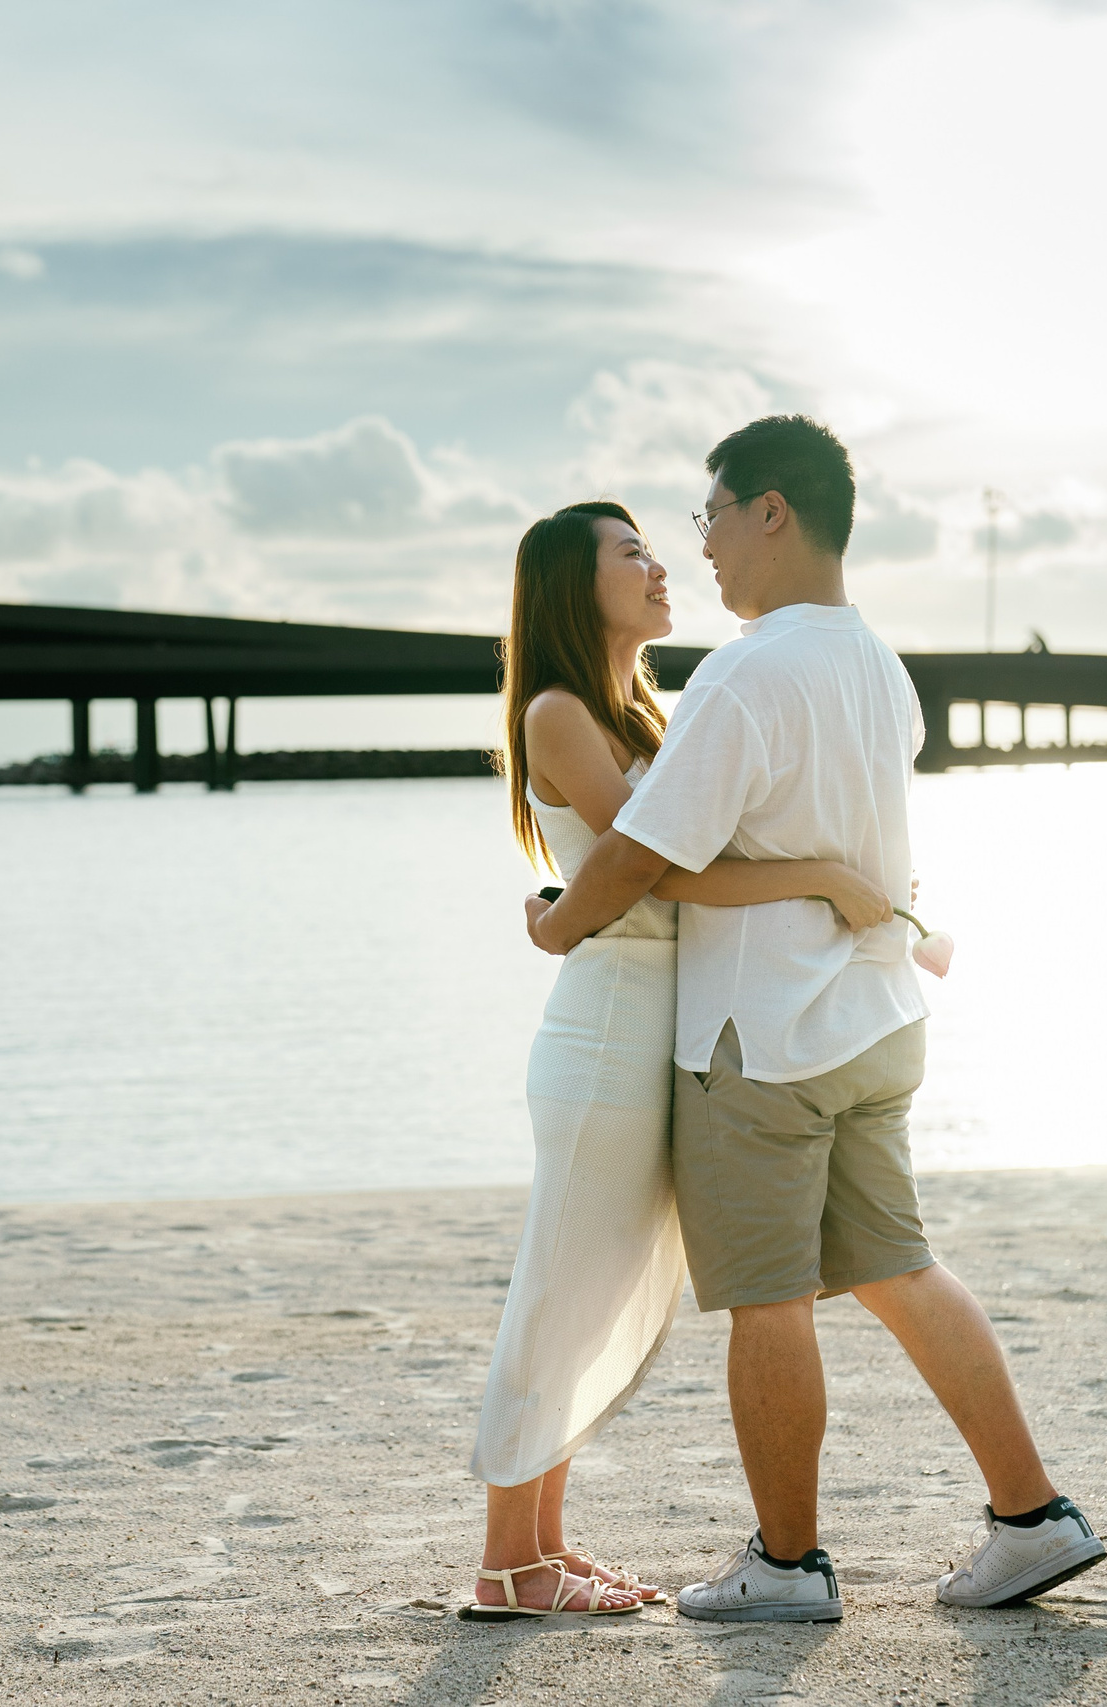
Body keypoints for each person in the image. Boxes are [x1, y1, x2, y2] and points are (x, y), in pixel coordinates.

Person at [526, 418, 1107, 1622]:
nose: (706, 548)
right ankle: (1030, 1515)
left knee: (768, 1299)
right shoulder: (878, 667)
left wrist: (556, 921)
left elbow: (649, 858)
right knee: (901, 1265)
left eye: (711, 519)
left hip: (761, 1037)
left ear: (771, 513)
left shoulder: (744, 672)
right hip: (874, 1015)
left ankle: (786, 1567)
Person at [464, 499, 895, 1621]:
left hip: (659, 1033)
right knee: (563, 1284)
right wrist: (824, 878)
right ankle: (509, 1562)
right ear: (573, 584)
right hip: (606, 1032)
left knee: (605, 1292)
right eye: (631, 553)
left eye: (657, 547)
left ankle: (543, 1548)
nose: (660, 567)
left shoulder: (640, 709)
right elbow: (656, 869)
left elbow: (679, 851)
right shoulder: (559, 714)